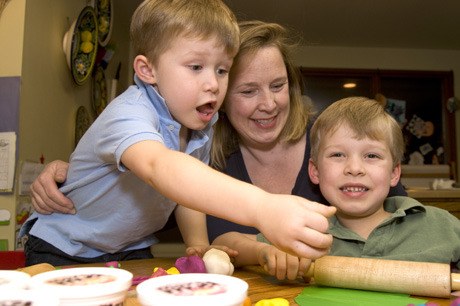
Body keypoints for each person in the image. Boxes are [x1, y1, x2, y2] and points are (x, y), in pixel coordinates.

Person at [20, 1, 336, 266]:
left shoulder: (202, 125)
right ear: (148, 70)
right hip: (63, 249)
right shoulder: (128, 114)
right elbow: (162, 168)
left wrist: (198, 243)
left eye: (222, 70)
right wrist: (264, 208)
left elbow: (186, 194)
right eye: (196, 67)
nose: (213, 84)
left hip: (131, 248)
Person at [216, 97, 460, 280]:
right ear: (315, 171)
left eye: (372, 155)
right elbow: (227, 242)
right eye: (338, 154)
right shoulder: (304, 232)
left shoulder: (441, 225)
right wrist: (263, 252)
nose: (354, 168)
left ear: (394, 173)